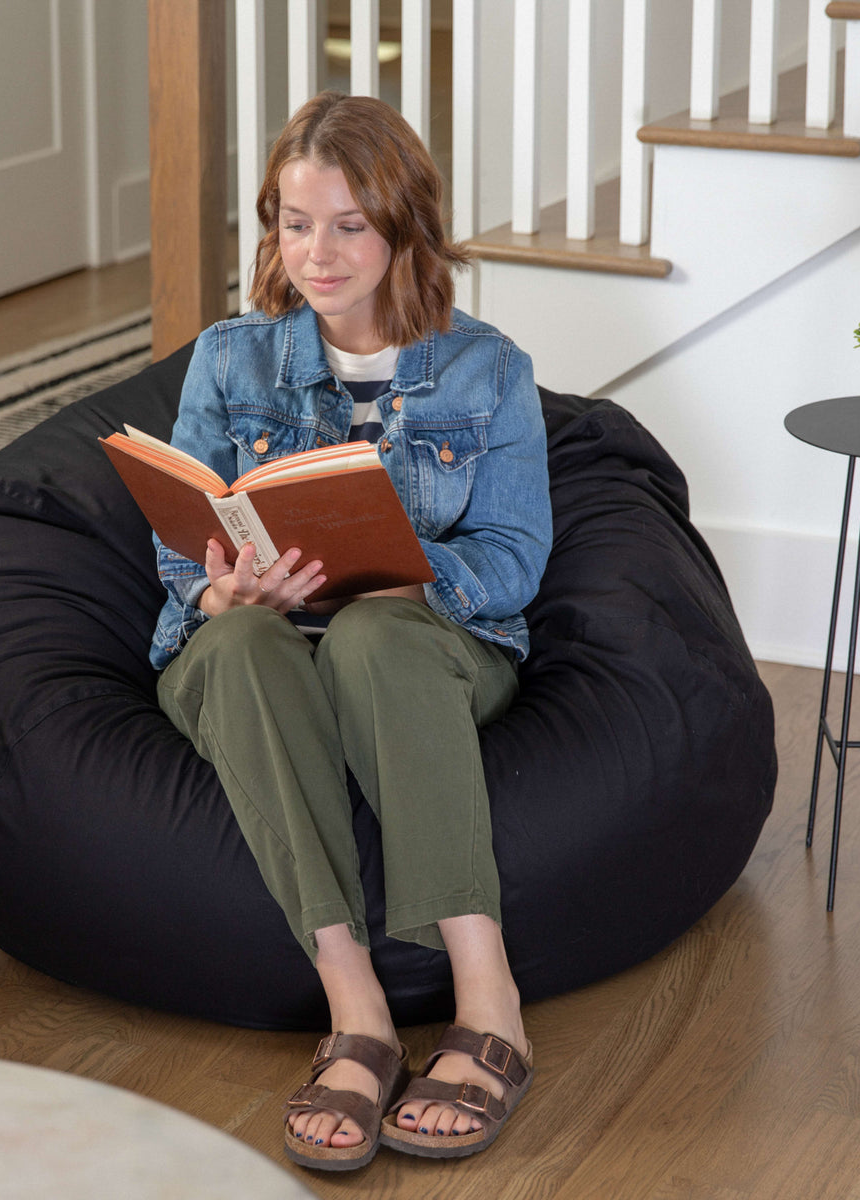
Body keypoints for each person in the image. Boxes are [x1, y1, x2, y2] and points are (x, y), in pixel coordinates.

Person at [150, 91, 551, 1170]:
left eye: (347, 225)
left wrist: (405, 585)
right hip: (265, 649)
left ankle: (487, 998)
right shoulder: (231, 360)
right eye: (293, 222)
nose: (316, 254)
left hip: (432, 648)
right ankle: (358, 1010)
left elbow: (515, 559)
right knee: (232, 646)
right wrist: (219, 592)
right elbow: (183, 547)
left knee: (375, 636)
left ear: (401, 224)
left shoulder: (489, 371)